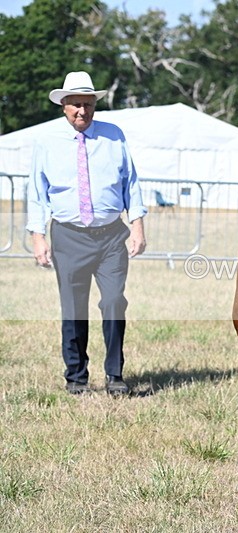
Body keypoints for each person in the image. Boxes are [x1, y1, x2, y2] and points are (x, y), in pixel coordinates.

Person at [26, 71, 147, 397]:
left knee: (114, 302)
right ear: (64, 105)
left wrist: (137, 224)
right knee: (73, 309)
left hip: (111, 237)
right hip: (68, 237)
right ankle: (76, 376)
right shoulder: (46, 141)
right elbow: (36, 191)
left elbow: (131, 182)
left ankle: (115, 374)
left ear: (95, 104)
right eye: (76, 104)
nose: (83, 110)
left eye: (88, 104)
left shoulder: (114, 136)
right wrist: (38, 236)